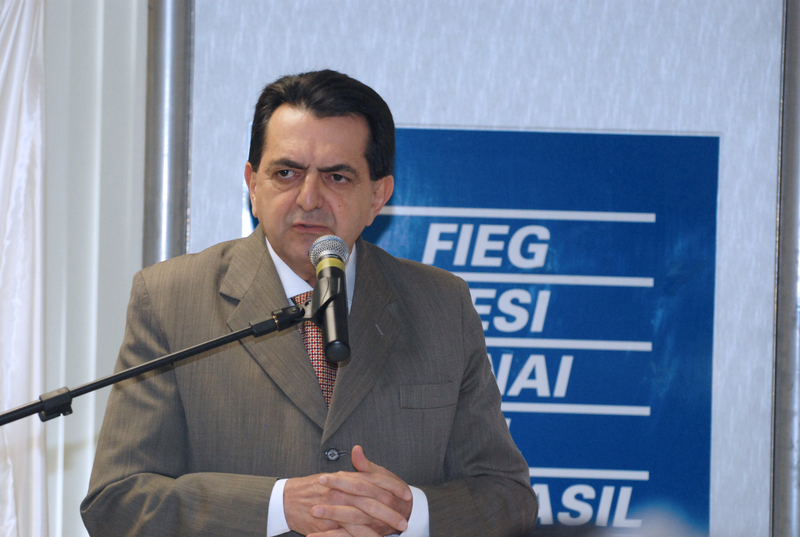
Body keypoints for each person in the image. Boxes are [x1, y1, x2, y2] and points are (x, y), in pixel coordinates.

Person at [81, 69, 538, 537]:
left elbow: (508, 498)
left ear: (378, 195)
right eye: (286, 173)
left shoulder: (441, 304)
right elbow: (118, 502)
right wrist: (278, 507)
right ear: (252, 185)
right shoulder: (171, 299)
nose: (309, 198)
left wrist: (405, 511)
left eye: (337, 177)